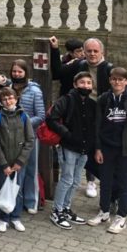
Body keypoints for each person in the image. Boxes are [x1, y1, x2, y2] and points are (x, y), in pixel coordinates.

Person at [50, 36, 113, 198]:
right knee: (81, 150)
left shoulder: (109, 69)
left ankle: (93, 182)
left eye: (95, 51)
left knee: (97, 150)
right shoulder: (79, 64)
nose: (92, 54)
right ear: (83, 52)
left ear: (102, 52)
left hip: (100, 116)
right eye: (88, 51)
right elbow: (57, 73)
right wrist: (55, 49)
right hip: (79, 114)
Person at [88, 68, 127, 234]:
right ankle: (104, 212)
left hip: (125, 151)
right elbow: (97, 126)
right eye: (114, 79)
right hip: (106, 148)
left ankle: (121, 218)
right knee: (105, 182)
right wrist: (98, 148)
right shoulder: (103, 99)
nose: (117, 82)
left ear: (126, 81)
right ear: (110, 80)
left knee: (124, 184)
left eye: (121, 79)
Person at [46, 71, 97, 230]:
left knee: (75, 181)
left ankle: (66, 208)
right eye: (82, 83)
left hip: (84, 148)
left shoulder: (92, 104)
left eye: (89, 83)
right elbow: (51, 119)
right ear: (75, 84)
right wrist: (67, 134)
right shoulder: (66, 100)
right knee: (67, 179)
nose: (86, 86)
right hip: (68, 146)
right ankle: (56, 210)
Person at [0, 87, 34, 233]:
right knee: (3, 189)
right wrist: (3, 164)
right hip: (4, 164)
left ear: (16, 99)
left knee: (17, 190)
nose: (8, 101)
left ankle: (16, 217)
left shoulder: (24, 117)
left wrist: (20, 161)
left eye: (10, 98)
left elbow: (30, 140)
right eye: (4, 99)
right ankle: (3, 219)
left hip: (19, 164)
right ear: (1, 102)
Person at [10, 59, 46, 214]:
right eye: (14, 71)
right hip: (11, 136)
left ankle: (31, 201)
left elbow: (41, 115)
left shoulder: (34, 91)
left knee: (31, 168)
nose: (17, 74)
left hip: (30, 136)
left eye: (20, 71)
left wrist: (23, 123)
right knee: (15, 169)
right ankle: (14, 199)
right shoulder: (8, 88)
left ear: (25, 72)